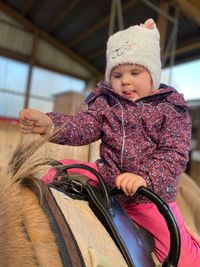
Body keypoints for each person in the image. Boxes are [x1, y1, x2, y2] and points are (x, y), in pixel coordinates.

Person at [19, 19, 200, 266]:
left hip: (149, 196)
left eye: (135, 73)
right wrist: (50, 125)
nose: (125, 81)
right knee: (54, 173)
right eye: (117, 74)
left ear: (153, 75)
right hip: (107, 178)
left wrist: (144, 178)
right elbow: (83, 127)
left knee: (187, 260)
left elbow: (174, 154)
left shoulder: (171, 109)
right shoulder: (106, 103)